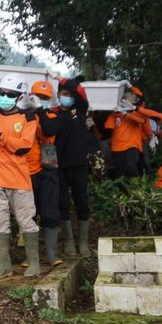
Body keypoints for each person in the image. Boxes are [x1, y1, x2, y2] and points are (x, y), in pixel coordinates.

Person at [0, 74, 41, 278]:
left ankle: (35, 264)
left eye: (10, 94)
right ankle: (4, 266)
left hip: (18, 179)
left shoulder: (28, 118)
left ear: (20, 96)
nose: (4, 97)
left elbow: (23, 147)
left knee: (26, 220)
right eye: (1, 93)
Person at [51, 77, 94, 258]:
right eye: (63, 94)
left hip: (78, 164)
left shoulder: (80, 110)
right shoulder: (53, 113)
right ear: (58, 95)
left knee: (82, 203)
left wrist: (62, 79)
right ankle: (69, 241)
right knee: (62, 204)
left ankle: (83, 242)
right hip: (59, 166)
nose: (66, 97)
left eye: (69, 94)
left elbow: (80, 91)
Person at [23, 80, 63, 266]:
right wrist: (26, 109)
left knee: (49, 212)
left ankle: (52, 254)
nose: (41, 100)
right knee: (28, 214)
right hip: (26, 171)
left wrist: (39, 109)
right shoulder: (23, 114)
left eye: (45, 98)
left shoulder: (52, 116)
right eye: (38, 97)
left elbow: (50, 129)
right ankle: (30, 256)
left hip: (47, 169)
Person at [104, 86, 152, 180]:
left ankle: (138, 187)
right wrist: (114, 112)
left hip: (133, 145)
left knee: (132, 167)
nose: (127, 101)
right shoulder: (115, 114)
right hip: (117, 147)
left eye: (130, 100)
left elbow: (141, 120)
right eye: (125, 99)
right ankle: (126, 191)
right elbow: (108, 127)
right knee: (120, 171)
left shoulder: (138, 111)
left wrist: (130, 86)